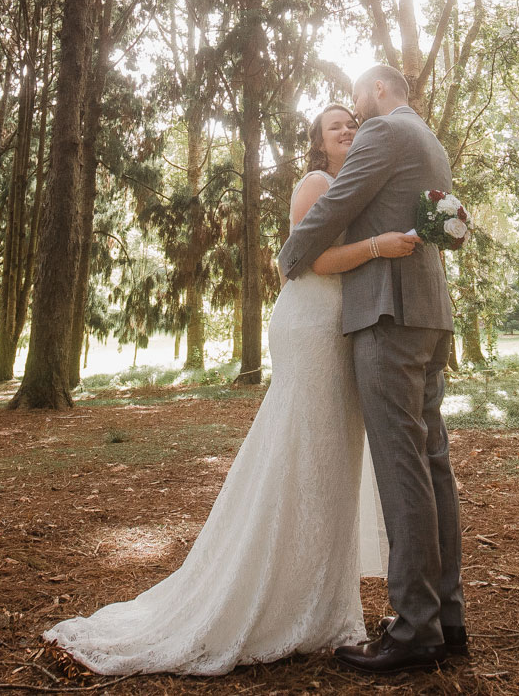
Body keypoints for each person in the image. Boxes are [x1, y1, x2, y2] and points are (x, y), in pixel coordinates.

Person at [42, 99, 399, 675]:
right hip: (311, 323)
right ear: (319, 141)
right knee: (302, 449)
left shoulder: (356, 183)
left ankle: (324, 602)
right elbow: (310, 260)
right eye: (337, 126)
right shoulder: (314, 184)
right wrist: (381, 246)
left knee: (331, 456)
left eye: (352, 123)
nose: (348, 129)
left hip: (343, 326)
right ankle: (272, 598)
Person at [279, 64, 467, 674]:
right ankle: (447, 617)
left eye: (359, 100)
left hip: (388, 314)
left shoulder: (385, 133)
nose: (356, 115)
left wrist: (290, 256)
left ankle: (415, 629)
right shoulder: (428, 138)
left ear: (380, 90)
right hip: (427, 314)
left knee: (401, 466)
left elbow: (338, 201)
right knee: (432, 462)